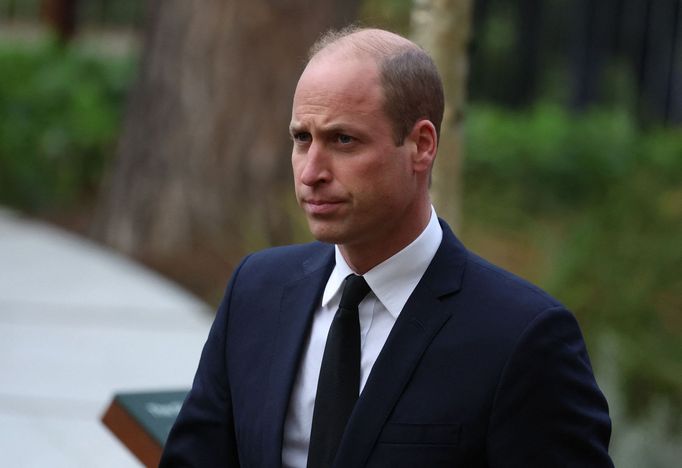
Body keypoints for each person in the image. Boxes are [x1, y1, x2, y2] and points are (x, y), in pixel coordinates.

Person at [160, 26, 614, 467]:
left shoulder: (523, 337)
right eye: (302, 138)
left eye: (343, 140)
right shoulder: (255, 291)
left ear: (421, 145)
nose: (311, 171)